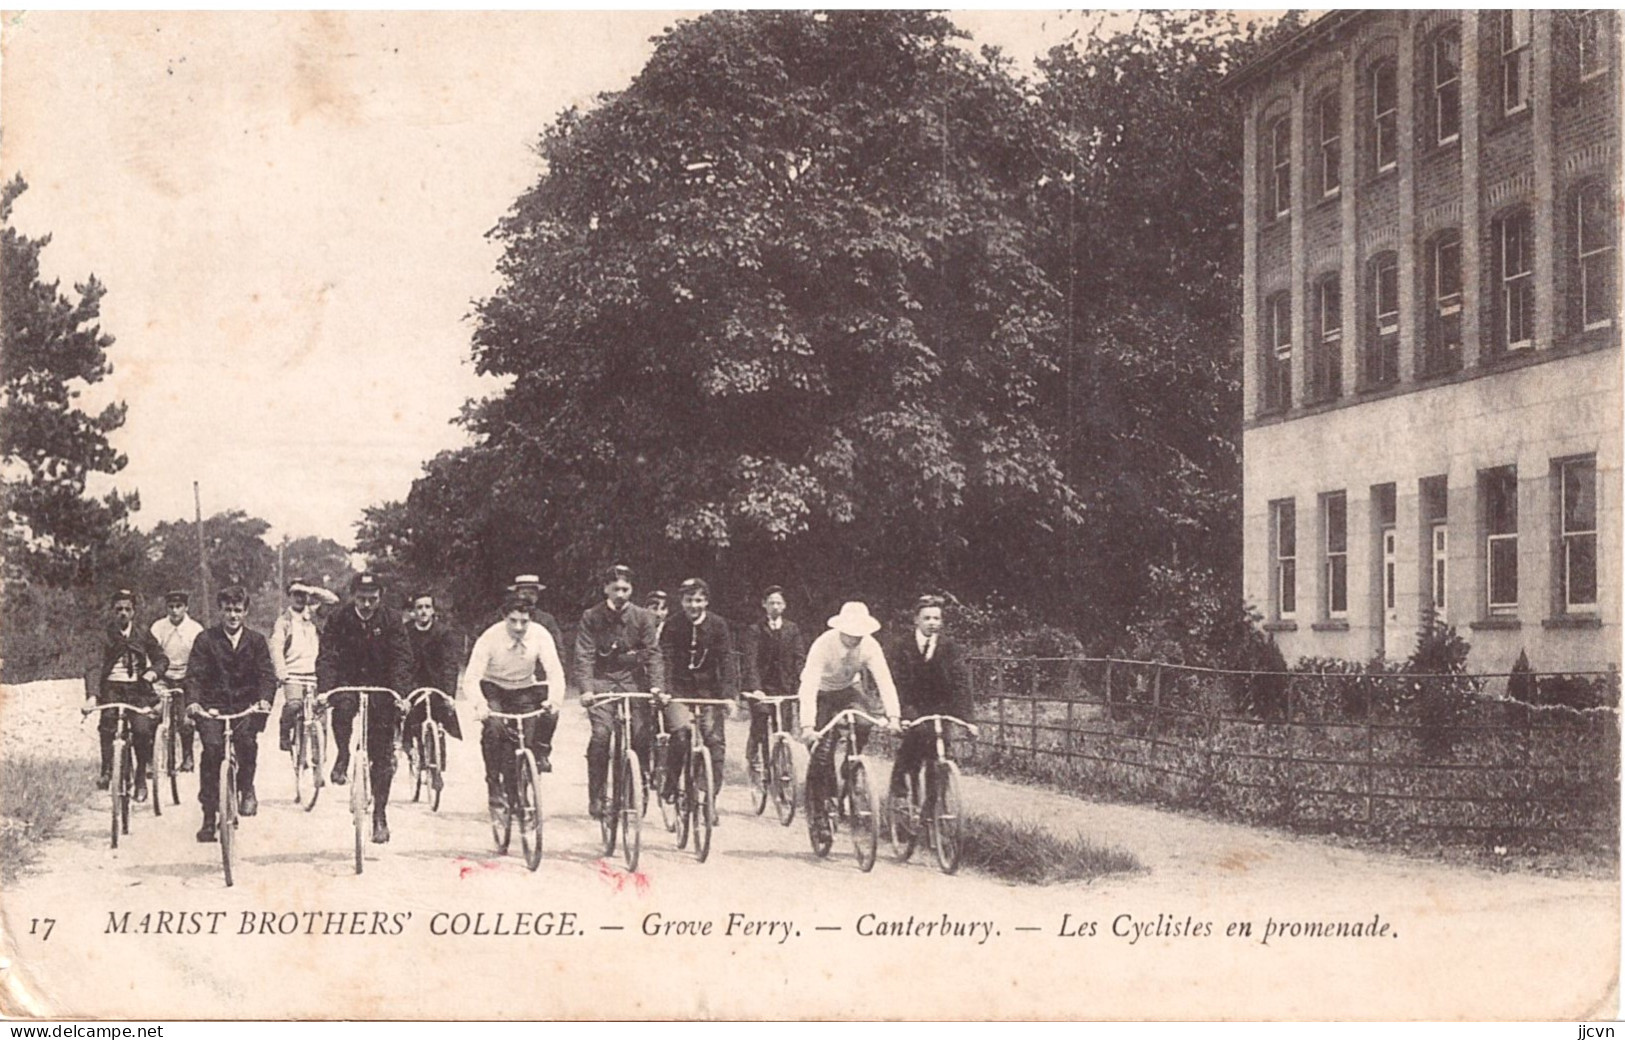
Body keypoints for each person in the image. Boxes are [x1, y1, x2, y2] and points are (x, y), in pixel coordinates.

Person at [317, 573, 412, 843]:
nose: (367, 605)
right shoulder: (338, 619)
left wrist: (400, 694)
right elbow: (327, 656)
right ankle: (343, 754)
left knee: (381, 757)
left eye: (372, 599)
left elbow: (401, 659)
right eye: (361, 599)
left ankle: (380, 814)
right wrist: (325, 690)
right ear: (353, 597)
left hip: (381, 685)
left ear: (380, 597)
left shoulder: (392, 620)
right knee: (342, 709)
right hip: (347, 680)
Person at [796, 601, 901, 842]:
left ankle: (851, 764)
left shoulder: (870, 645)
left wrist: (894, 716)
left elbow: (884, 680)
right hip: (821, 692)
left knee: (865, 722)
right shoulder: (823, 644)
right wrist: (808, 726)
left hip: (848, 689)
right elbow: (809, 684)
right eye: (850, 633)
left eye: (859, 634)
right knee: (821, 753)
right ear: (840, 628)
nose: (854, 638)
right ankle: (819, 814)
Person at [183, 586, 275, 842]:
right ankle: (208, 817)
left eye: (237, 610)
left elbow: (267, 675)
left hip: (245, 706)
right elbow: (194, 675)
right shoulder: (206, 639)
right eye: (227, 610)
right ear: (220, 611)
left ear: (245, 612)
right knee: (212, 752)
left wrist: (264, 701)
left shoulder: (256, 641)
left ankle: (247, 787)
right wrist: (193, 703)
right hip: (212, 706)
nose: (232, 615)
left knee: (247, 743)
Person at [574, 565, 665, 820]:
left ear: (632, 590)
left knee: (641, 734)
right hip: (602, 681)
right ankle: (597, 794)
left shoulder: (643, 617)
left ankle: (639, 785)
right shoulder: (591, 617)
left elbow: (654, 654)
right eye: (616, 589)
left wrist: (656, 686)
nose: (621, 594)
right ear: (606, 589)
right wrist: (587, 689)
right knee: (602, 736)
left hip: (633, 681)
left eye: (626, 589)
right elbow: (584, 655)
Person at [464, 597, 564, 825]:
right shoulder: (490, 637)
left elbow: (555, 673)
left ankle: (523, 793)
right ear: (504, 618)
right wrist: (481, 704)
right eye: (513, 621)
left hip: (524, 690)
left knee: (527, 742)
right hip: (494, 688)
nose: (518, 627)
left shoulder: (540, 635)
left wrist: (553, 700)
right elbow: (471, 678)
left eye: (524, 621)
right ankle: (493, 787)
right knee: (494, 730)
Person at [883, 594, 974, 807]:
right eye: (927, 618)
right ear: (916, 619)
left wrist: (968, 720)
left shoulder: (950, 647)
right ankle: (900, 780)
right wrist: (902, 715)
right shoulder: (901, 646)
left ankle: (935, 805)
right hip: (910, 703)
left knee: (940, 750)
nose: (932, 623)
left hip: (940, 706)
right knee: (916, 735)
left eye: (936, 618)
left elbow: (962, 683)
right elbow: (897, 684)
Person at [658, 578, 737, 807]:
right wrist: (666, 692)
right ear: (682, 601)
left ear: (707, 601)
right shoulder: (673, 625)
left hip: (709, 691)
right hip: (679, 691)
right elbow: (666, 660)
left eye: (699, 600)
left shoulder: (718, 625)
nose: (694, 605)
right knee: (681, 734)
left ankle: (709, 795)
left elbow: (726, 661)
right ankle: (672, 782)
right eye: (689, 600)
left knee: (715, 742)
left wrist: (728, 696)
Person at [84, 589, 168, 797]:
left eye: (127, 609)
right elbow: (94, 666)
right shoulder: (103, 636)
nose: (123, 613)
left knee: (141, 731)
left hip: (137, 690)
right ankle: (106, 769)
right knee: (107, 725)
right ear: (113, 612)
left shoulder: (142, 634)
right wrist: (93, 695)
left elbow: (161, 659)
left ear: (133, 612)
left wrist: (152, 673)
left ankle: (140, 778)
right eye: (118, 609)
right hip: (112, 688)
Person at [740, 584, 807, 772]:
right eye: (771, 603)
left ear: (784, 606)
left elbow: (799, 657)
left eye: (779, 603)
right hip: (762, 686)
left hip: (784, 686)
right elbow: (750, 661)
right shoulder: (755, 630)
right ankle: (754, 752)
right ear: (764, 605)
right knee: (760, 717)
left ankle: (782, 764)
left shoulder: (792, 629)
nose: (775, 607)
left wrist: (803, 683)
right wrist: (756, 687)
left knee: (784, 727)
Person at [273, 579, 335, 754]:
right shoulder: (284, 621)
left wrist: (313, 590)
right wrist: (281, 671)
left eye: (303, 594)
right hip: (293, 674)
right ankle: (285, 732)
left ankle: (318, 762)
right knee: (294, 705)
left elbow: (332, 601)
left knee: (320, 718)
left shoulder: (314, 615)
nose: (300, 598)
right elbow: (276, 647)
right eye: (296, 594)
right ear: (289, 596)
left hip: (315, 674)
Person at [402, 592, 465, 761]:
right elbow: (401, 662)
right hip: (413, 683)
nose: (423, 611)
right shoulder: (405, 632)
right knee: (409, 715)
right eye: (419, 607)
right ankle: (409, 747)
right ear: (413, 611)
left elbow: (450, 664)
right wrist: (403, 691)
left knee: (440, 716)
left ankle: (437, 762)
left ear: (433, 611)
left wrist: (449, 694)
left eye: (427, 607)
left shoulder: (443, 632)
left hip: (436, 683)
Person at [149, 590, 203, 773]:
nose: (174, 611)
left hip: (186, 677)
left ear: (186, 608)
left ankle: (188, 755)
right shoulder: (158, 627)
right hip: (163, 677)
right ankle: (152, 758)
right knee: (153, 714)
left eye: (178, 606)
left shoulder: (195, 629)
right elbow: (152, 654)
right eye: (171, 607)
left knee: (185, 720)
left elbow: (200, 659)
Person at [506, 574, 565, 672]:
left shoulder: (546, 619)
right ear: (516, 595)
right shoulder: (505, 616)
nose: (527, 597)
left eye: (532, 593)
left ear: (537, 597)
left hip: (538, 671)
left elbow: (558, 648)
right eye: (524, 593)